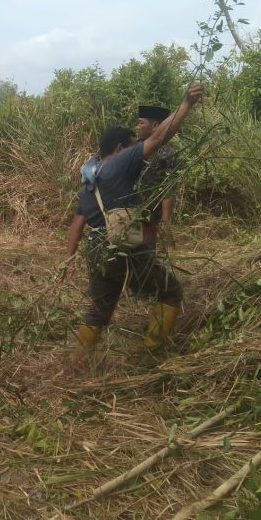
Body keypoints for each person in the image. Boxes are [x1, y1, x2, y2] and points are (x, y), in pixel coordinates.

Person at [64, 84, 204, 357]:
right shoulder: (121, 162)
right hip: (126, 242)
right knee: (170, 291)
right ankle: (152, 356)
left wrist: (67, 261)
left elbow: (77, 223)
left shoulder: (90, 179)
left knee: (99, 307)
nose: (136, 149)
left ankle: (78, 363)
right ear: (120, 148)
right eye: (131, 146)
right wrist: (186, 103)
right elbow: (160, 137)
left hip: (95, 248)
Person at [136, 105, 180, 248]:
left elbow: (169, 189)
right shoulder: (133, 148)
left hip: (150, 215)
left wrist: (165, 223)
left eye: (141, 123)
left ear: (155, 126)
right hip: (127, 212)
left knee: (146, 253)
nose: (138, 127)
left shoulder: (169, 153)